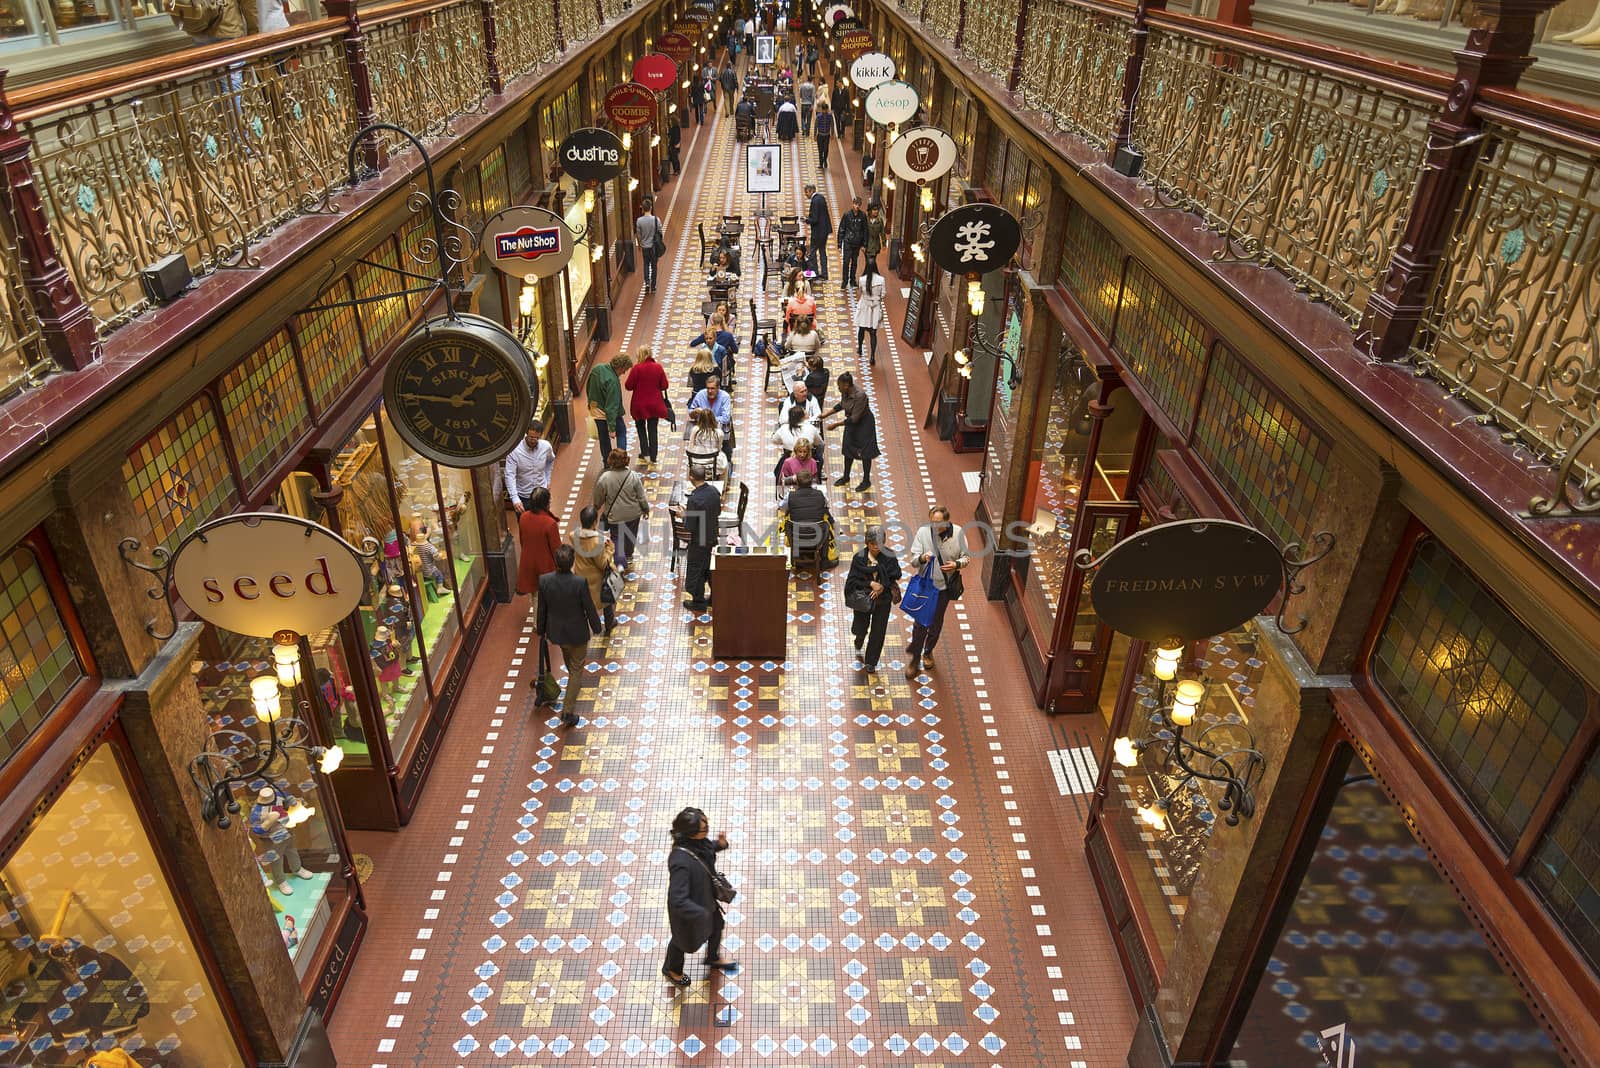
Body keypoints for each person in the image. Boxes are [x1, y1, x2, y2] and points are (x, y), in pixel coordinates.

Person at [662, 806, 736, 986]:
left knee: (717, 926)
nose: (707, 830)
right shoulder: (680, 861)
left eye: (707, 825)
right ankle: (672, 969)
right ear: (690, 833)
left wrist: (720, 845)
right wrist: (700, 913)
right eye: (703, 829)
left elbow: (706, 850)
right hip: (690, 912)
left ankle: (712, 957)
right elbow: (677, 899)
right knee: (681, 941)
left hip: (706, 900)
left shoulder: (698, 843)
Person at [536, 544, 601, 726]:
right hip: (578, 632)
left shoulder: (544, 581)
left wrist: (541, 630)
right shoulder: (579, 583)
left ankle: (570, 698)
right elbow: (588, 607)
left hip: (558, 633)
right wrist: (596, 627)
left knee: (570, 662)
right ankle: (568, 711)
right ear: (572, 562)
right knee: (576, 669)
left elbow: (542, 609)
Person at [905, 505, 971, 675]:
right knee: (920, 623)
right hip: (925, 587)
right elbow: (913, 561)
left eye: (938, 523)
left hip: (943, 589)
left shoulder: (958, 534)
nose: (934, 526)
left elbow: (966, 557)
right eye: (932, 522)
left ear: (947, 521)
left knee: (936, 623)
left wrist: (956, 564)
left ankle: (928, 652)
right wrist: (921, 558)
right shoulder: (923, 533)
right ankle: (914, 659)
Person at [847, 525, 902, 672]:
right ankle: (859, 638)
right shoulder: (859, 558)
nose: (876, 547)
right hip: (863, 598)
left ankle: (871, 661)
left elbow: (896, 574)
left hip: (883, 600)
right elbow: (853, 581)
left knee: (878, 630)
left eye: (879, 544)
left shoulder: (890, 556)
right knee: (860, 625)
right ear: (867, 543)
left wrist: (882, 586)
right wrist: (870, 583)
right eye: (872, 544)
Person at [593, 448, 650, 573]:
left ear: (611, 461)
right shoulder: (633, 476)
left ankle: (620, 562)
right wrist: (646, 509)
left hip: (615, 515)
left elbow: (598, 498)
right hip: (633, 514)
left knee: (617, 538)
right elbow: (641, 496)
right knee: (631, 535)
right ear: (626, 460)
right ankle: (628, 555)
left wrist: (596, 507)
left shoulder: (605, 478)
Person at [824, 372, 878, 492]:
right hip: (851, 423)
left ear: (847, 385)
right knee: (848, 450)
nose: (838, 388)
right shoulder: (845, 392)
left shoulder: (860, 396)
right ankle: (846, 476)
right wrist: (825, 414)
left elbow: (855, 418)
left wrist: (836, 425)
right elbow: (841, 405)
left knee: (865, 453)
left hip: (864, 425)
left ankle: (866, 480)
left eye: (840, 386)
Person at [571, 505, 616, 635]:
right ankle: (609, 623)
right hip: (597, 580)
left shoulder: (574, 535)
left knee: (585, 603)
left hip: (580, 575)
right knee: (606, 601)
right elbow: (602, 564)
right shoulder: (597, 542)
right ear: (595, 522)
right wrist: (609, 549)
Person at [682, 468, 722, 610]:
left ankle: (698, 602)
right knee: (710, 569)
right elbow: (718, 511)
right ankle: (714, 597)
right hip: (712, 537)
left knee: (696, 570)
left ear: (691, 477)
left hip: (699, 541)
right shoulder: (714, 491)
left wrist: (684, 516)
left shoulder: (694, 500)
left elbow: (690, 526)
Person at [515, 486, 561, 609]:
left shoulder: (523, 517)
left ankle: (538, 623)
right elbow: (556, 549)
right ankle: (544, 624)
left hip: (528, 563)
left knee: (535, 596)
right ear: (545, 503)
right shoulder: (550, 523)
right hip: (546, 566)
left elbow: (522, 541)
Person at [625, 344, 670, 463]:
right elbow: (665, 385)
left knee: (640, 428)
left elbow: (628, 386)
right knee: (653, 429)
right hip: (655, 404)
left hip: (639, 405)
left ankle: (645, 453)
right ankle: (654, 455)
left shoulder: (636, 368)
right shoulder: (658, 367)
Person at [777, 470, 831, 565]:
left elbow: (781, 507)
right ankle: (824, 560)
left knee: (786, 522)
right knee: (826, 524)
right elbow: (827, 505)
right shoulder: (820, 494)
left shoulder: (790, 496)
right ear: (812, 482)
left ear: (797, 482)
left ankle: (794, 557)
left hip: (796, 537)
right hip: (817, 537)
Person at [587, 351, 631, 460]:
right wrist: (612, 428)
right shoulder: (613, 381)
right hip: (607, 414)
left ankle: (607, 463)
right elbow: (611, 407)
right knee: (621, 432)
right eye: (624, 370)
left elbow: (588, 388)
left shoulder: (597, 369)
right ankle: (621, 460)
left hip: (595, 411)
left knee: (603, 438)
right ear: (620, 367)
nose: (624, 372)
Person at [505, 421, 555, 513]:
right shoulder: (515, 451)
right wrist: (515, 499)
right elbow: (510, 475)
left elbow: (550, 461)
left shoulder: (546, 447)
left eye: (536, 438)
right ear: (526, 434)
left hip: (541, 494)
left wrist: (548, 480)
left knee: (543, 523)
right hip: (524, 497)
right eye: (531, 437)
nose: (533, 440)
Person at [688, 375, 734, 463]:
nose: (709, 391)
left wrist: (707, 418)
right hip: (702, 431)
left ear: (718, 388)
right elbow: (691, 412)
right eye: (708, 388)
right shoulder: (700, 395)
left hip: (718, 429)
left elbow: (725, 418)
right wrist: (694, 412)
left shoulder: (725, 397)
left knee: (726, 452)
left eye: (712, 388)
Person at [855, 257, 886, 366]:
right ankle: (872, 356)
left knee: (861, 329)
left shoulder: (862, 279)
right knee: (873, 333)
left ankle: (860, 348)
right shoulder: (881, 280)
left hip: (864, 307)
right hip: (875, 308)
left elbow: (860, 291)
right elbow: (883, 294)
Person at [684, 407, 728, 480]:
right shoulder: (719, 432)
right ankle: (722, 487)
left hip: (696, 462)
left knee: (688, 462)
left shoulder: (695, 429)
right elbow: (719, 448)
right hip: (713, 463)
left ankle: (689, 483)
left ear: (700, 419)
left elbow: (690, 447)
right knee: (725, 463)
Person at [837, 196, 867, 289]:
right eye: (855, 204)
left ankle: (852, 280)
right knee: (846, 262)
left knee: (854, 262)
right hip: (848, 242)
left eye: (858, 204)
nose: (856, 206)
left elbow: (865, 230)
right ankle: (844, 281)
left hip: (857, 243)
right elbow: (841, 229)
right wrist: (839, 244)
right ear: (852, 204)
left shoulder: (862, 216)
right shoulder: (847, 215)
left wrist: (864, 244)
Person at [636, 195, 663, 294]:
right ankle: (653, 286)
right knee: (654, 266)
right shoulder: (656, 220)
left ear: (642, 209)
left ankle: (647, 283)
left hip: (645, 246)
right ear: (651, 208)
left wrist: (639, 244)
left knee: (646, 264)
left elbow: (638, 235)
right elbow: (660, 232)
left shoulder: (639, 221)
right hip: (654, 247)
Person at [805, 182, 831, 281]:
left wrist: (806, 220)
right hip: (824, 231)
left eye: (806, 192)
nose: (806, 195)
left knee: (812, 253)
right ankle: (824, 274)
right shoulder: (821, 198)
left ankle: (814, 273)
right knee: (822, 252)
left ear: (811, 191)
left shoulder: (815, 201)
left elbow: (815, 219)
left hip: (818, 232)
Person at [863, 201, 885, 277]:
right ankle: (873, 274)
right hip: (867, 244)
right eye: (874, 210)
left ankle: (867, 275)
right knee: (869, 261)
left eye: (877, 210)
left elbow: (882, 232)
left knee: (871, 261)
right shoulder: (865, 220)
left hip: (875, 245)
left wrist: (884, 243)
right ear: (870, 211)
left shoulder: (880, 221)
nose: (876, 211)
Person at [814, 99, 835, 172]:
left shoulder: (830, 116)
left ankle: (825, 160)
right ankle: (820, 163)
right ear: (822, 110)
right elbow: (815, 126)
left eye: (826, 110)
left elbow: (832, 125)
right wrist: (815, 135)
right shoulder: (819, 116)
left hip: (826, 135)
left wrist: (832, 134)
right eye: (824, 110)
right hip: (820, 135)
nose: (825, 112)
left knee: (826, 149)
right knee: (820, 150)